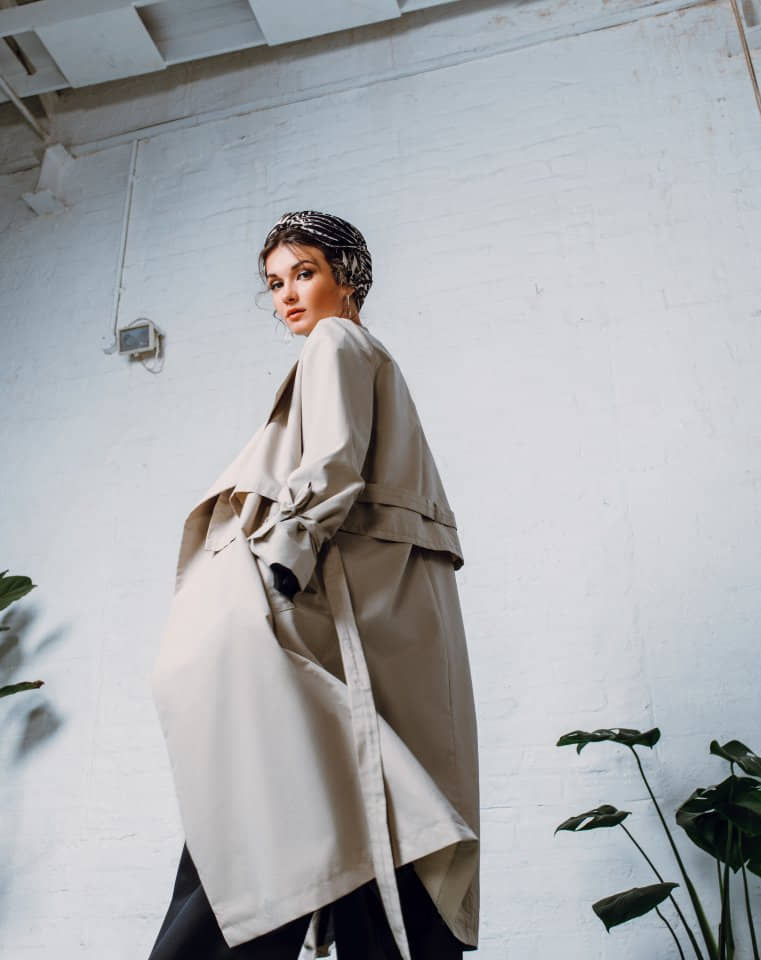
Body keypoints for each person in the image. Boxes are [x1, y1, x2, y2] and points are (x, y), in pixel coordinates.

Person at [148, 211, 480, 960]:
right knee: (370, 818)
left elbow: (333, 460)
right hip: (379, 611)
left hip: (334, 609)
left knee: (269, 811)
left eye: (304, 274)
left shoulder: (337, 342)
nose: (288, 297)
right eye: (275, 284)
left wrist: (282, 564)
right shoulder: (366, 355)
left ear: (346, 276)